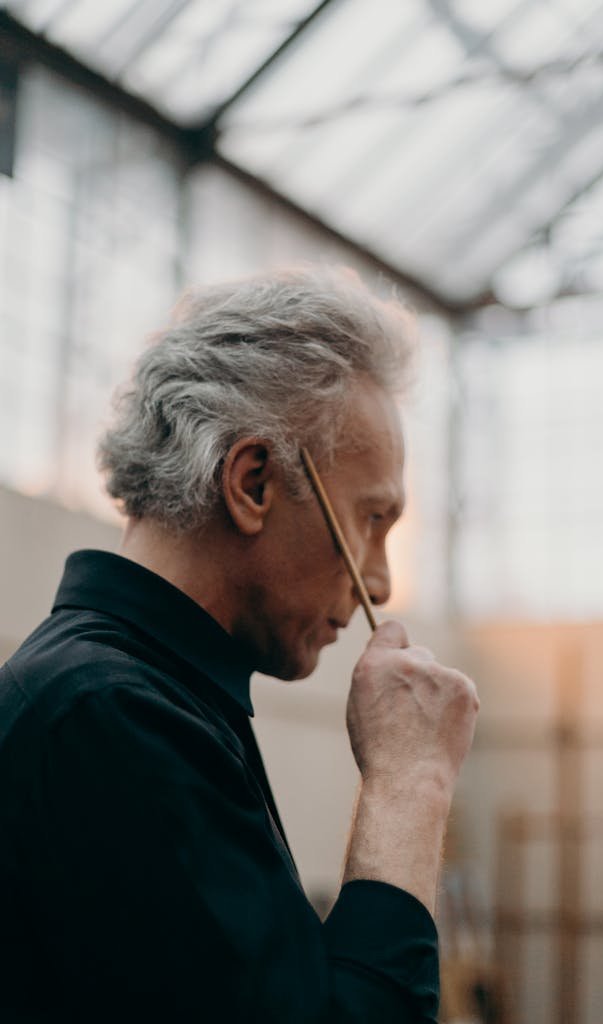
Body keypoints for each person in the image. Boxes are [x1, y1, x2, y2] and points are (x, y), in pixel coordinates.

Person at [0, 265, 479, 1023]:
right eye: (372, 520)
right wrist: (411, 786)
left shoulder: (126, 696)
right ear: (253, 482)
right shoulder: (111, 717)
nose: (379, 583)